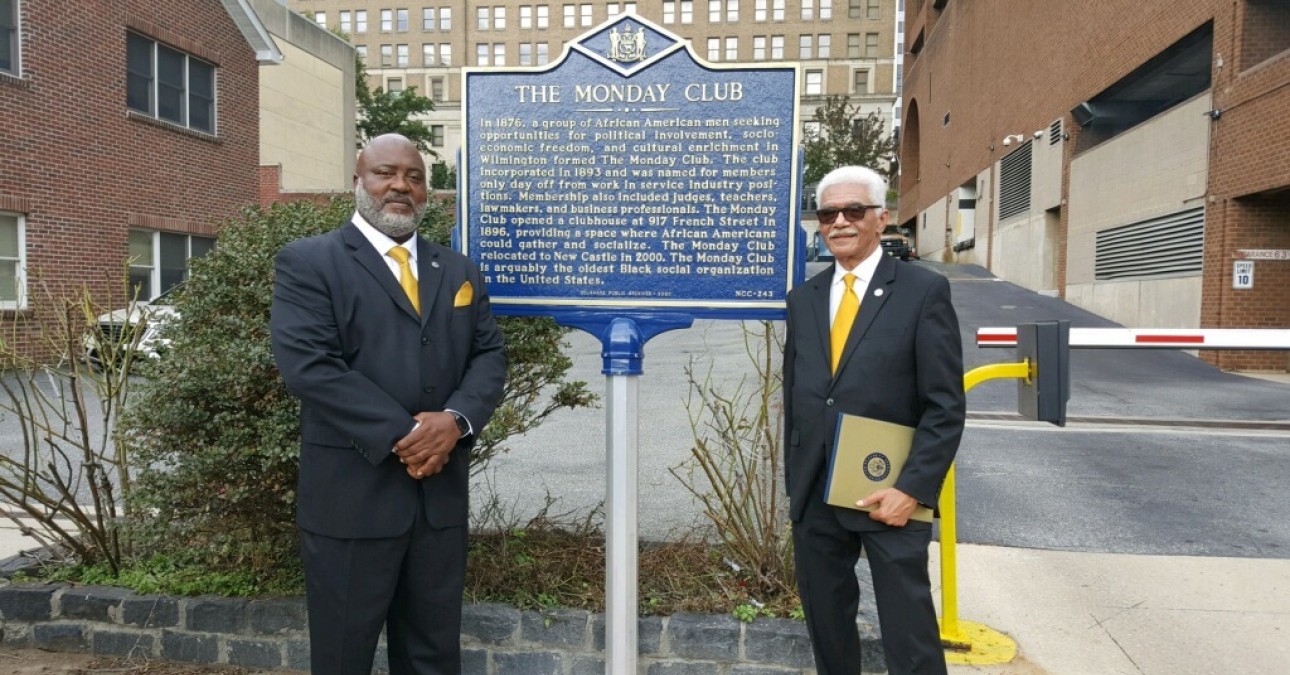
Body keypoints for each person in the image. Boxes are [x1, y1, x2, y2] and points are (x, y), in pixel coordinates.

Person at [270, 133, 507, 674]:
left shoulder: (459, 271)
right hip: (352, 500)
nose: (401, 185)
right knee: (342, 658)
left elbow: (488, 356)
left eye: (415, 176)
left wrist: (456, 421)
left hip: (438, 504)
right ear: (358, 182)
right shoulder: (310, 263)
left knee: (432, 655)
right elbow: (311, 366)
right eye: (385, 173)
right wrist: (409, 435)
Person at [783, 166, 965, 675]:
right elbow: (797, 394)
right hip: (816, 492)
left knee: (908, 631)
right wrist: (794, 484)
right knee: (827, 622)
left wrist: (914, 487)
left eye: (853, 211)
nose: (839, 221)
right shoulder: (805, 300)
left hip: (890, 493)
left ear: (881, 218)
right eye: (827, 213)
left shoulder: (922, 292)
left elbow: (944, 405)